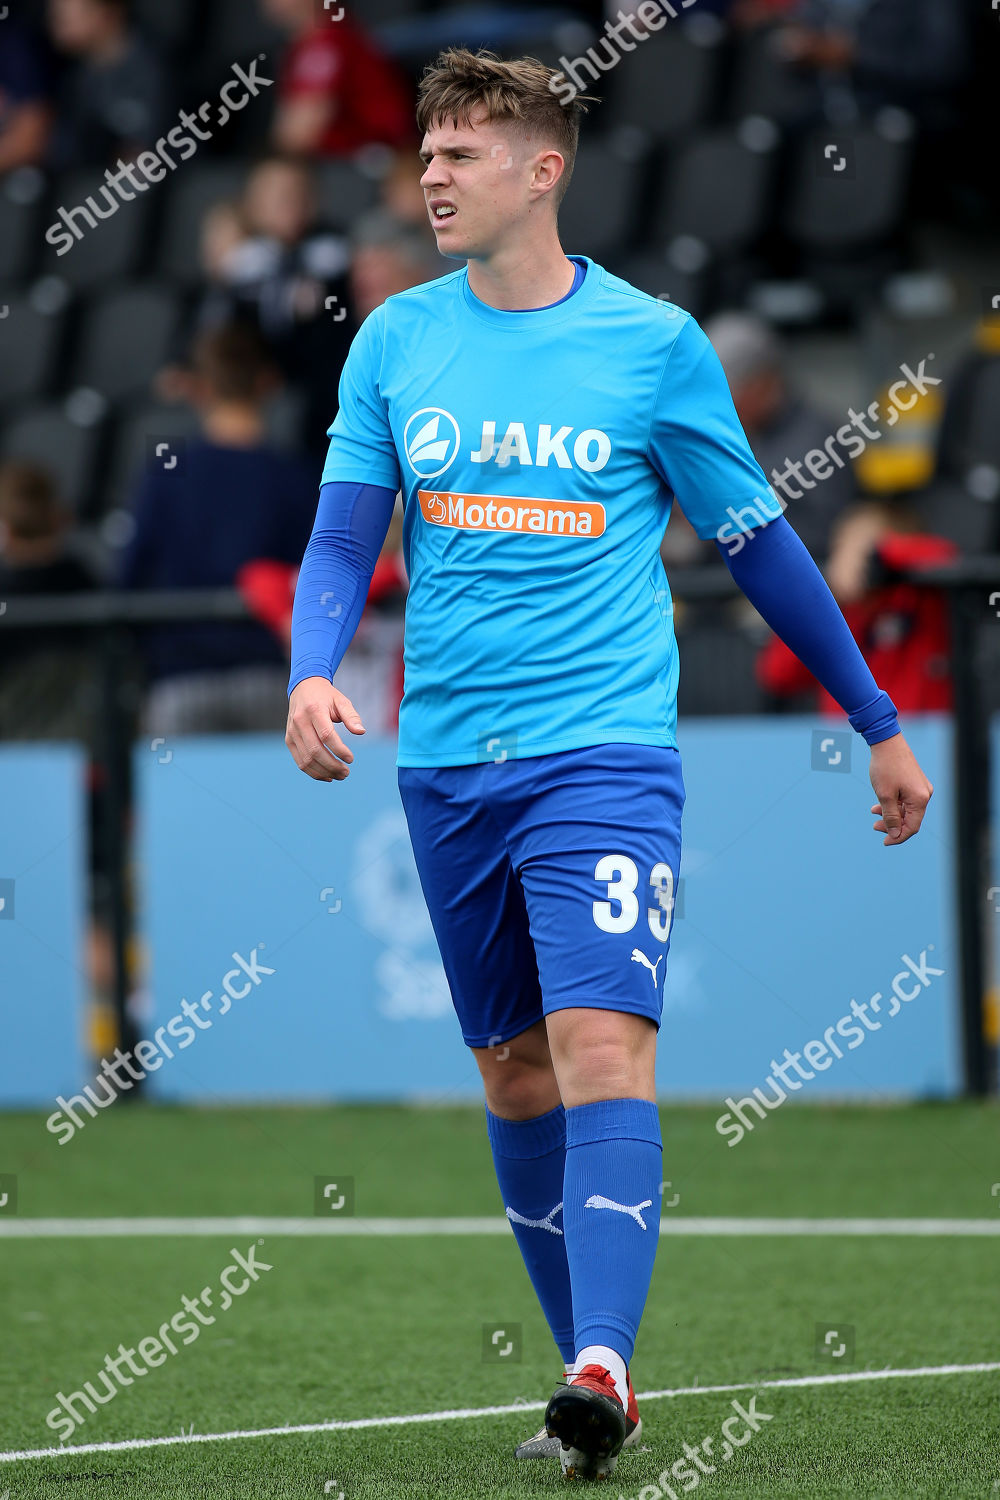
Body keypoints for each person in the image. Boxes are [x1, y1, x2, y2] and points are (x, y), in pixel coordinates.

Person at [284, 47, 932, 1481]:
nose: (433, 173)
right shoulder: (395, 339)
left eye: (462, 152)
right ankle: (587, 1393)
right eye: (430, 151)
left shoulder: (654, 347)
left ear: (544, 169)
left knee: (596, 1049)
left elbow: (762, 546)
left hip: (604, 756)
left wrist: (875, 720)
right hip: (447, 765)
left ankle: (604, 1362)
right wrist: (312, 670)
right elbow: (341, 540)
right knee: (514, 1074)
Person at [118, 323, 317, 734]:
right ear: (269, 384)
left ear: (197, 387)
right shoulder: (294, 477)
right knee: (271, 800)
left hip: (181, 676)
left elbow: (129, 576)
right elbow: (313, 577)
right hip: (268, 676)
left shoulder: (166, 471)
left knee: (176, 800)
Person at [262, 0, 413, 159]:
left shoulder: (330, 39)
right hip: (342, 164)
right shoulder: (304, 44)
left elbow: (299, 136)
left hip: (376, 162)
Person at [45, 0, 168, 170]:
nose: (57, 24)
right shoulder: (74, 80)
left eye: (65, 17)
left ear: (107, 13)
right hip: (93, 181)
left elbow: (162, 143)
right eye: (55, 17)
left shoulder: (159, 68)